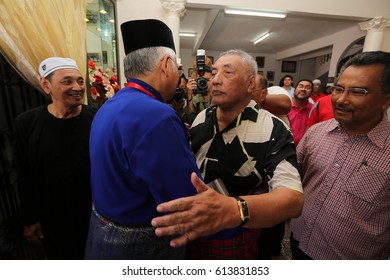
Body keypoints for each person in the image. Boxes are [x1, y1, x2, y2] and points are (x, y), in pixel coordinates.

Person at [151, 49, 304, 259]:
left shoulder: (273, 129)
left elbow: (292, 200)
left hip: (234, 236)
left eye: (228, 73)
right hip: (191, 227)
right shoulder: (202, 116)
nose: (215, 80)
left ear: (250, 84)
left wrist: (233, 210)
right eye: (214, 73)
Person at [84, 19, 200, 260]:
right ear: (167, 65)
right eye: (178, 67)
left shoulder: (110, 104)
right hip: (140, 244)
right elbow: (187, 200)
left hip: (101, 230)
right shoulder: (158, 115)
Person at [290, 51, 390, 259]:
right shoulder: (316, 133)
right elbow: (293, 175)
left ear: (386, 101)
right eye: (338, 89)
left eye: (358, 92)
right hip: (298, 242)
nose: (341, 100)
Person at [13, 57, 95, 259]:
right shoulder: (26, 123)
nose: (77, 87)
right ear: (46, 85)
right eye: (67, 81)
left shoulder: (97, 118)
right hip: (50, 220)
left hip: (93, 218)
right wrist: (29, 220)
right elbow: (24, 175)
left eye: (80, 81)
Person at [252, 73, 292, 259]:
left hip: (271, 193)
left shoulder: (275, 120)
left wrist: (247, 99)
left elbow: (285, 103)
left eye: (250, 86)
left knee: (269, 245)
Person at [184, 56, 213, 124]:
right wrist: (189, 94)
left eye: (207, 80)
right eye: (200, 80)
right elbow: (191, 120)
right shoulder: (196, 100)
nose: (203, 83)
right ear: (196, 80)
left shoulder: (217, 97)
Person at [287, 79, 313, 146]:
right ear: (294, 90)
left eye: (307, 87)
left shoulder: (314, 109)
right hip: (284, 147)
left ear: (311, 93)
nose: (303, 89)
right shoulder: (285, 106)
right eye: (300, 86)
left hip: (304, 149)